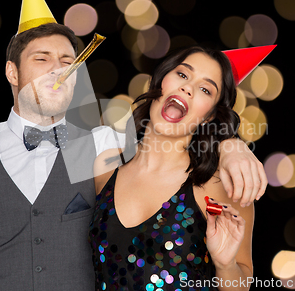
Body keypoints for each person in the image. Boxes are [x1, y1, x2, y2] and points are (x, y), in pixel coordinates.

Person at [0, 0, 266, 291]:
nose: (58, 70)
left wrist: (231, 144)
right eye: (42, 59)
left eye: (69, 62)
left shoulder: (100, 148)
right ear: (12, 73)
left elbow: (170, 144)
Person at [90, 44, 275, 291]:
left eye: (205, 89)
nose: (187, 88)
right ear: (160, 81)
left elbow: (241, 284)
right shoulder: (104, 167)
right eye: (183, 74)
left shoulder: (220, 185)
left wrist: (225, 264)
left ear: (209, 115)